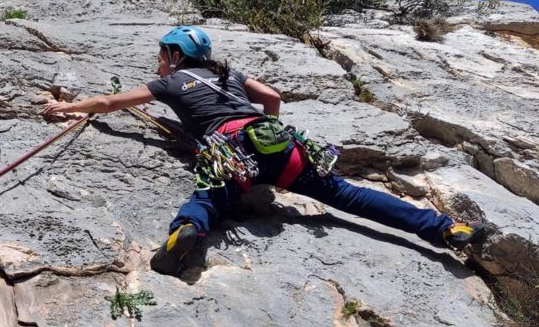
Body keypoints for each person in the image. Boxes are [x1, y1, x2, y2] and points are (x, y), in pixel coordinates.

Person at [41, 26, 485, 275]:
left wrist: (66, 107)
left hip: (233, 150)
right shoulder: (231, 76)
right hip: (281, 145)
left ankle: (188, 232)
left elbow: (108, 104)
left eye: (162, 55)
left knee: (208, 199)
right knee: (348, 195)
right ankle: (445, 230)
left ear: (175, 56)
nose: (159, 63)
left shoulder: (171, 81)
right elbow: (272, 99)